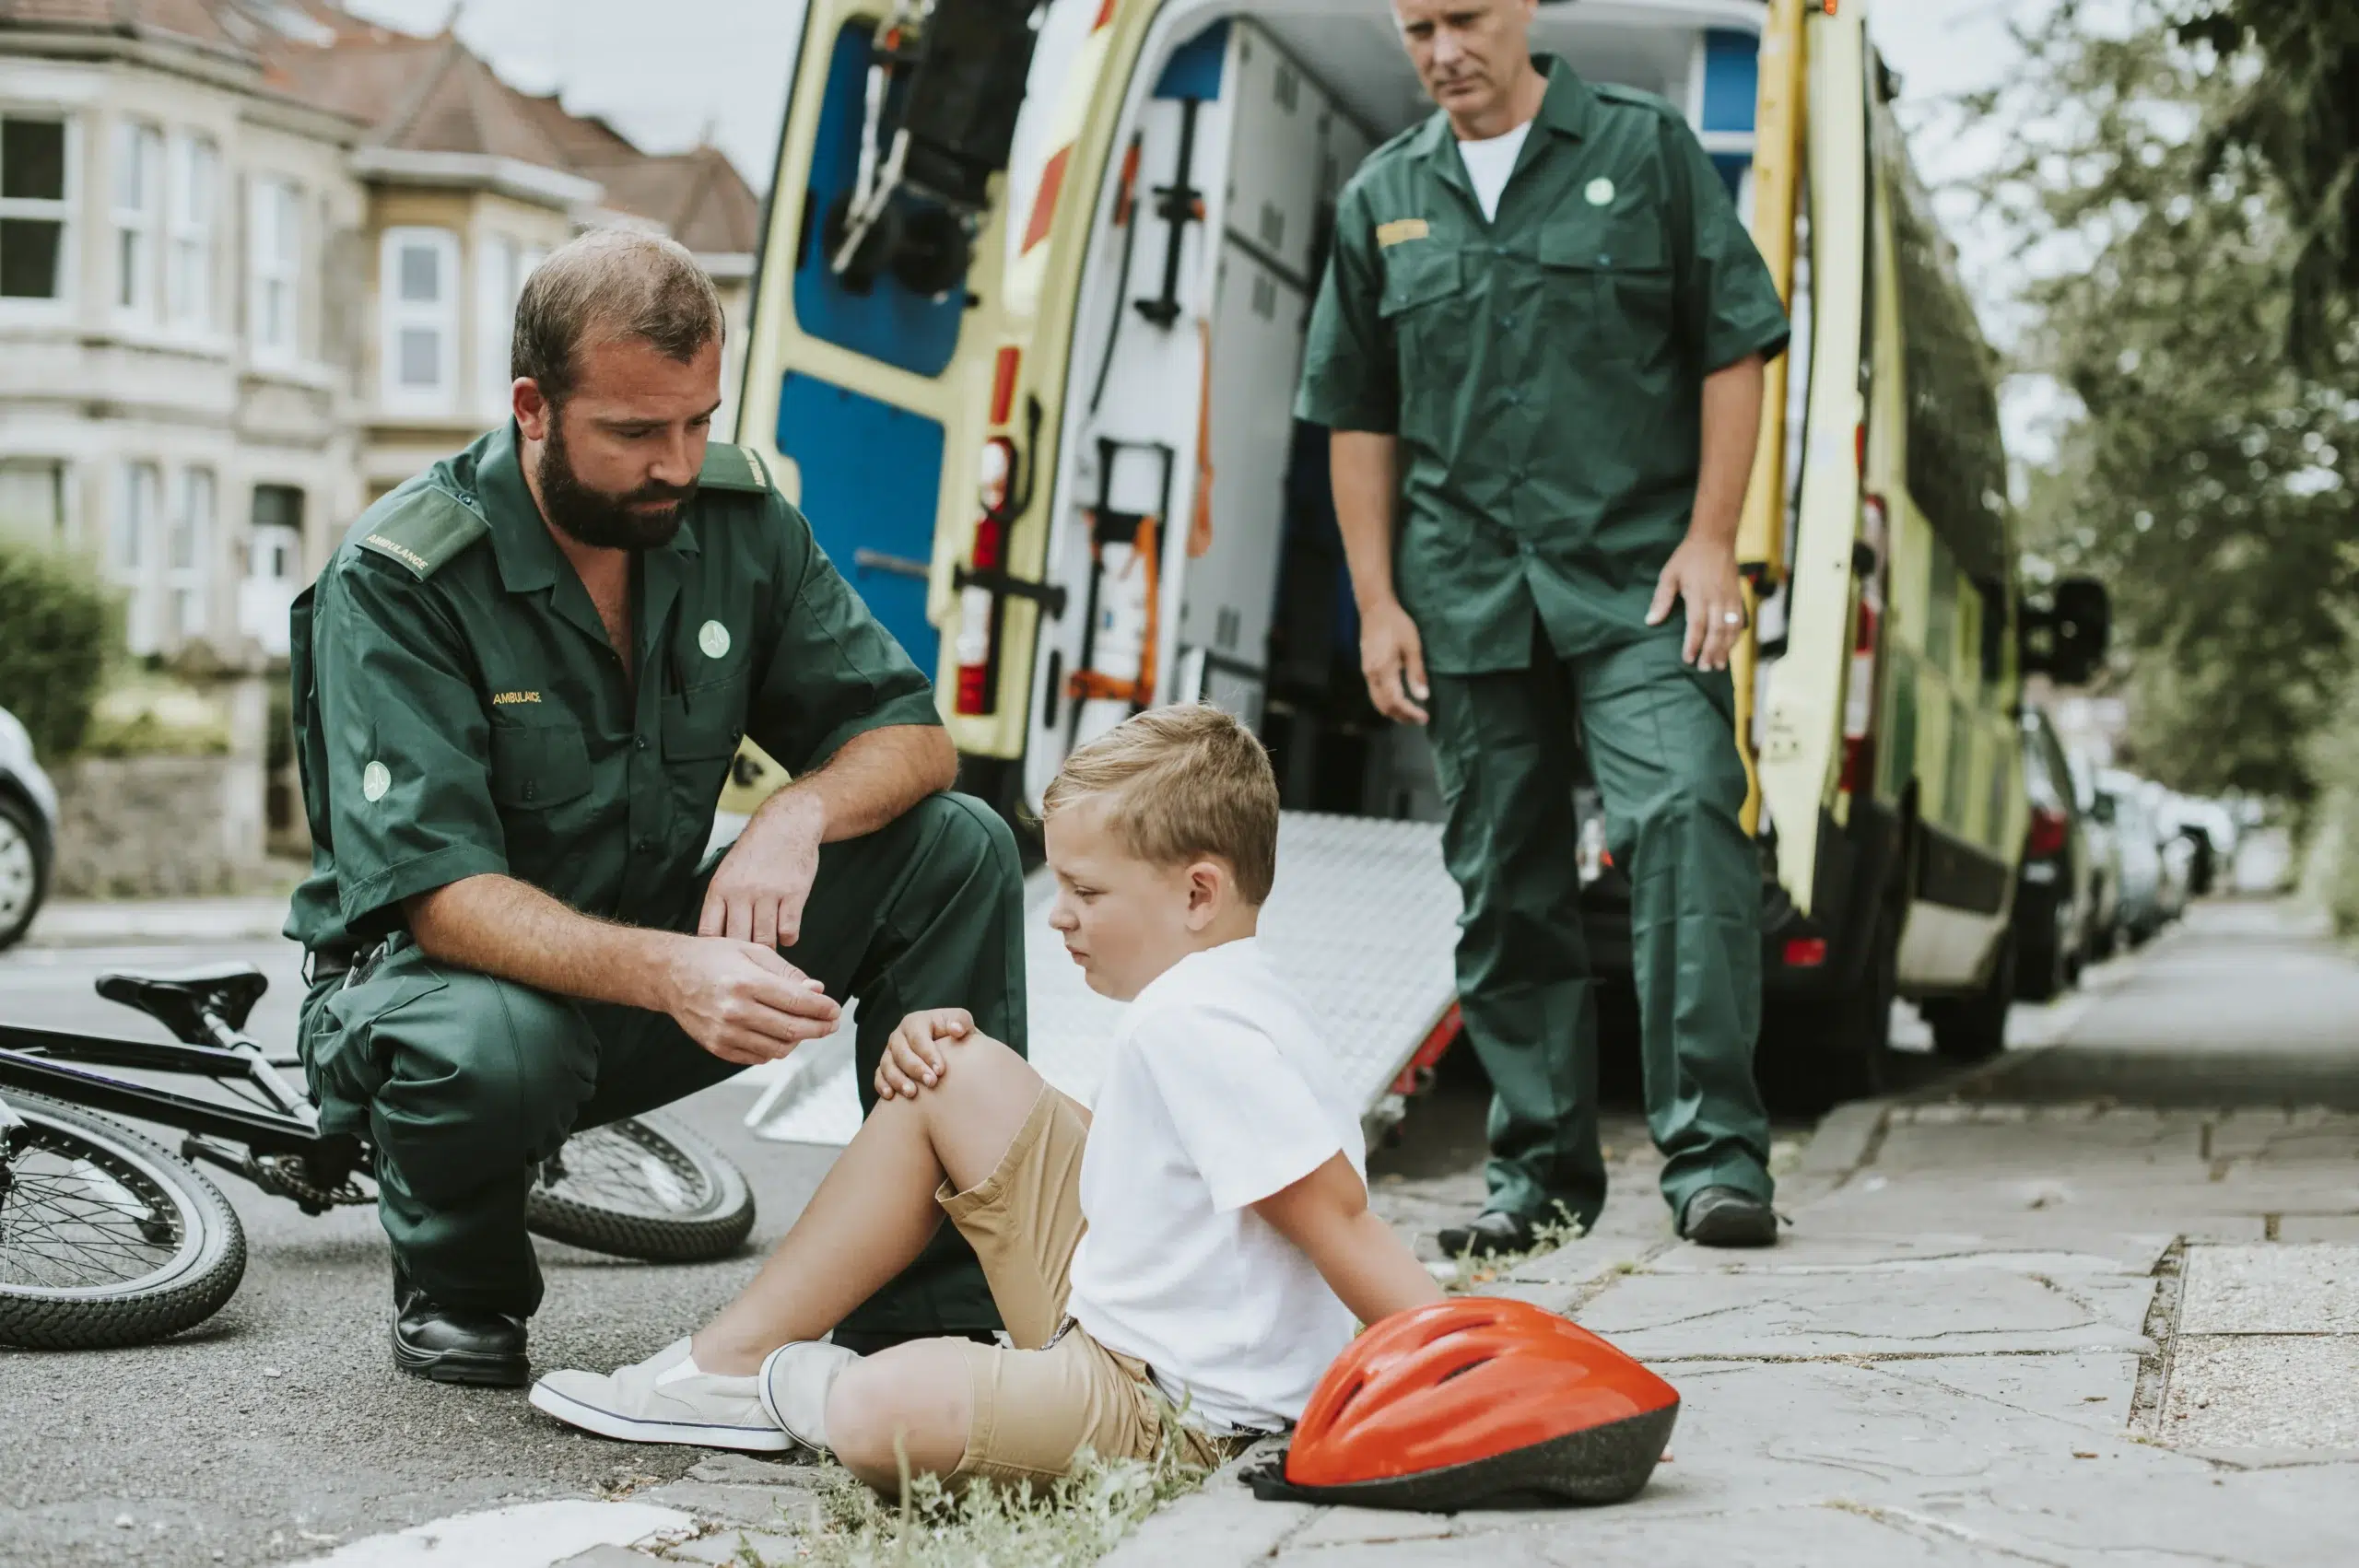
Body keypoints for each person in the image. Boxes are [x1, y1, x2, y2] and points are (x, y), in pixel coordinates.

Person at [286, 228, 1027, 1387]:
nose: (677, 463)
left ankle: (930, 1313)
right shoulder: (401, 576)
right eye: (635, 432)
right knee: (492, 1045)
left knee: (960, 847)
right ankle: (462, 1281)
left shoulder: (732, 522)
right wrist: (679, 972)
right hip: (445, 998)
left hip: (646, 965)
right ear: (533, 407)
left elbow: (912, 736)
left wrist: (794, 817)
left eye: (700, 420)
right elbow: (439, 899)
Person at [527, 706, 1447, 1492]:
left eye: (1085, 891)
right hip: (1127, 1330)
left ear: (1197, 891)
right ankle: (727, 1369)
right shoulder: (1233, 988)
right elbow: (1171, 1177)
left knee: (873, 1408)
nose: (1058, 912)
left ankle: (786, 1386)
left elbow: (1339, 1222)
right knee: (954, 1068)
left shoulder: (1196, 1025)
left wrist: (1460, 1371)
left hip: (1172, 1409)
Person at [1296, 0, 1792, 1253]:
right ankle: (1542, 1178)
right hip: (1468, 590)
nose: (1442, 48)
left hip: (1640, 583)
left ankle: (1716, 1158)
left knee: (1685, 812)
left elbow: (1736, 344)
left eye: (1463, 17)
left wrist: (1713, 536)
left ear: (1520, 9)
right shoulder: (1384, 198)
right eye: (1416, 28)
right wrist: (1376, 601)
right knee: (1504, 883)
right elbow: (1360, 415)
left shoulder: (1644, 149)